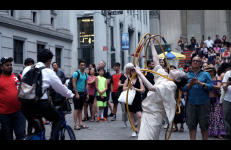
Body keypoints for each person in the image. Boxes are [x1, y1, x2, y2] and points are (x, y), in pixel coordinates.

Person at [135, 36, 188, 140]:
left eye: (179, 72)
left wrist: (139, 73)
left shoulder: (171, 85)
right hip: (148, 112)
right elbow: (156, 60)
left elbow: (151, 88)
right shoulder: (164, 76)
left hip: (154, 115)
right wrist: (151, 43)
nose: (176, 69)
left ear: (177, 80)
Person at [21, 49, 75, 140]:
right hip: (41, 104)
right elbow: (60, 88)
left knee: (39, 129)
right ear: (49, 60)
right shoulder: (48, 71)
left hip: (25, 105)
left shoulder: (26, 69)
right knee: (58, 119)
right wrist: (72, 95)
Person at [182, 56, 213, 140]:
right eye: (193, 61)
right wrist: (189, 85)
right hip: (191, 102)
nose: (195, 62)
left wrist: (201, 83)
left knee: (204, 125)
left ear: (200, 64)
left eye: (197, 61)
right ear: (191, 63)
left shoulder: (206, 74)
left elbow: (211, 87)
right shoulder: (187, 75)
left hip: (203, 102)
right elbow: (182, 88)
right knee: (191, 125)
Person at [0, 57, 26, 140]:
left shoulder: (18, 76)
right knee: (8, 136)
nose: (9, 66)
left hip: (19, 112)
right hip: (4, 114)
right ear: (1, 67)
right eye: (7, 65)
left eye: (11, 65)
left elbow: (27, 87)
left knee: (20, 135)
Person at [205, 64, 226, 139]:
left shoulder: (217, 77)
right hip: (208, 98)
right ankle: (212, 132)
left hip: (216, 98)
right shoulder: (206, 78)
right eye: (207, 71)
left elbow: (218, 86)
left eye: (209, 71)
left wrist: (209, 85)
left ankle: (220, 132)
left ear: (213, 71)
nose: (208, 72)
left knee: (218, 115)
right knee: (211, 116)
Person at [123, 66, 144, 137]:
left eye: (134, 71)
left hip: (137, 98)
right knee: (131, 115)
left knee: (139, 115)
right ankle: (134, 130)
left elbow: (142, 90)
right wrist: (129, 86)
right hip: (130, 98)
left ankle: (140, 130)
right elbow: (123, 88)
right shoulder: (128, 79)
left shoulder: (139, 80)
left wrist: (135, 88)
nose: (133, 72)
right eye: (132, 71)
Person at [72, 59, 89, 130]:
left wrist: (87, 94)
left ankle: (80, 123)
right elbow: (73, 83)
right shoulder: (76, 73)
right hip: (77, 93)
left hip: (82, 93)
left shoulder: (85, 74)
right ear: (79, 65)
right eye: (81, 65)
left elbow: (87, 85)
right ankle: (76, 124)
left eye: (84, 65)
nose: (83, 66)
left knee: (81, 109)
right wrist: (76, 93)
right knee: (76, 109)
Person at [118, 62, 133, 128]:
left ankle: (134, 122)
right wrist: (126, 84)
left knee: (133, 108)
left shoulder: (134, 76)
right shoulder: (122, 75)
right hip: (124, 93)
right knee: (124, 109)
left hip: (132, 93)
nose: (129, 70)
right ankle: (124, 122)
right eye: (128, 69)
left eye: (130, 69)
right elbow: (119, 84)